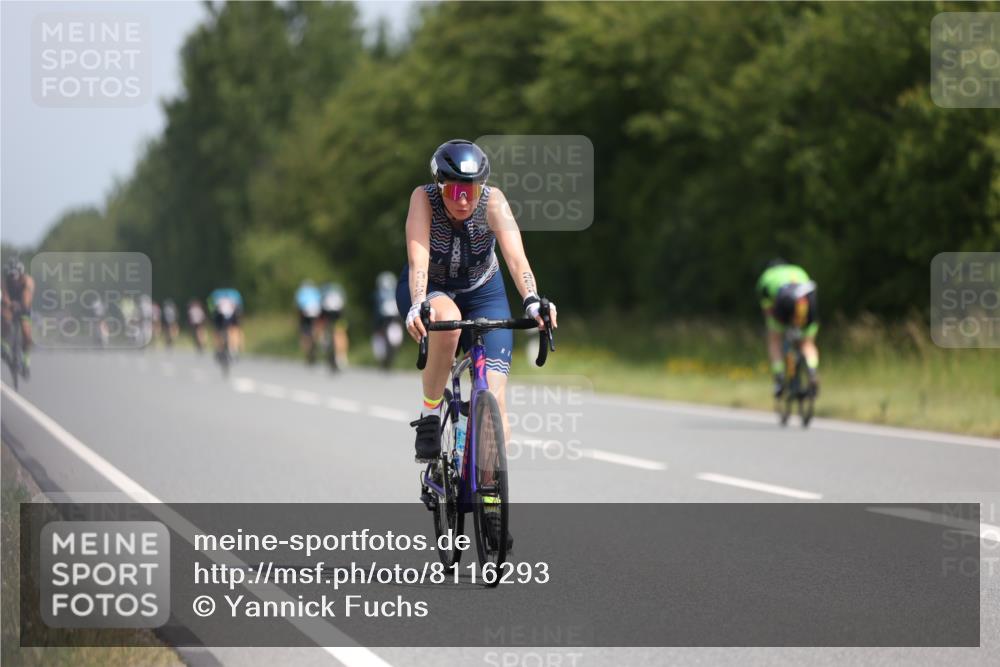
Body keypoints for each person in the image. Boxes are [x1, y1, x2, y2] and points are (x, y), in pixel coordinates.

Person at [399, 139, 558, 462]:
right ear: (439, 185)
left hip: (484, 290)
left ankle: (490, 490)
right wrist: (418, 303)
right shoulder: (424, 199)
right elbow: (419, 260)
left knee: (495, 400)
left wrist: (531, 300)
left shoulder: (492, 201)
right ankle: (430, 416)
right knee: (447, 321)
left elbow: (516, 259)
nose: (463, 200)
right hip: (432, 286)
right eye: (455, 191)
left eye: (470, 191)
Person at [756, 258, 820, 397]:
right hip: (807, 300)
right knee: (807, 343)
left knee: (775, 341)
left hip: (784, 299)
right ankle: (812, 370)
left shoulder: (766, 277)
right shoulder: (798, 269)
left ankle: (779, 377)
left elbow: (767, 310)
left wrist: (775, 326)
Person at [1, 259, 35, 376]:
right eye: (10, 276)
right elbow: (4, 296)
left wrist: (21, 305)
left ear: (21, 274)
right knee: (5, 318)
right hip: (10, 304)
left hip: (23, 305)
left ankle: (26, 360)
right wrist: (9, 303)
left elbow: (26, 298)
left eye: (15, 275)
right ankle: (3, 343)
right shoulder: (5, 281)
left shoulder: (28, 281)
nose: (13, 279)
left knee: (26, 333)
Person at [372, 271, 403, 369]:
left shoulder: (396, 293)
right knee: (379, 334)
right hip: (383, 320)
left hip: (393, 320)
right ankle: (382, 358)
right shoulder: (379, 295)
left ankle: (386, 358)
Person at [207, 287, 244, 359]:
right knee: (235, 330)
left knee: (217, 331)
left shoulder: (216, 294)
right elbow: (240, 305)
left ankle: (219, 348)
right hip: (232, 316)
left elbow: (210, 305)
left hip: (219, 316)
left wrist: (211, 313)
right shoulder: (234, 293)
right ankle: (234, 349)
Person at [320, 281, 348, 369]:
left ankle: (328, 348)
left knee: (330, 332)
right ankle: (342, 356)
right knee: (340, 333)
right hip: (337, 315)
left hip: (329, 316)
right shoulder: (338, 291)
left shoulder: (324, 292)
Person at [295, 280, 324, 364]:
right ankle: (318, 339)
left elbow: (298, 306)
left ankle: (308, 350)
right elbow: (320, 303)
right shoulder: (315, 291)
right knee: (316, 328)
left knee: (304, 332)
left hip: (305, 313)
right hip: (316, 313)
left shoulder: (301, 292)